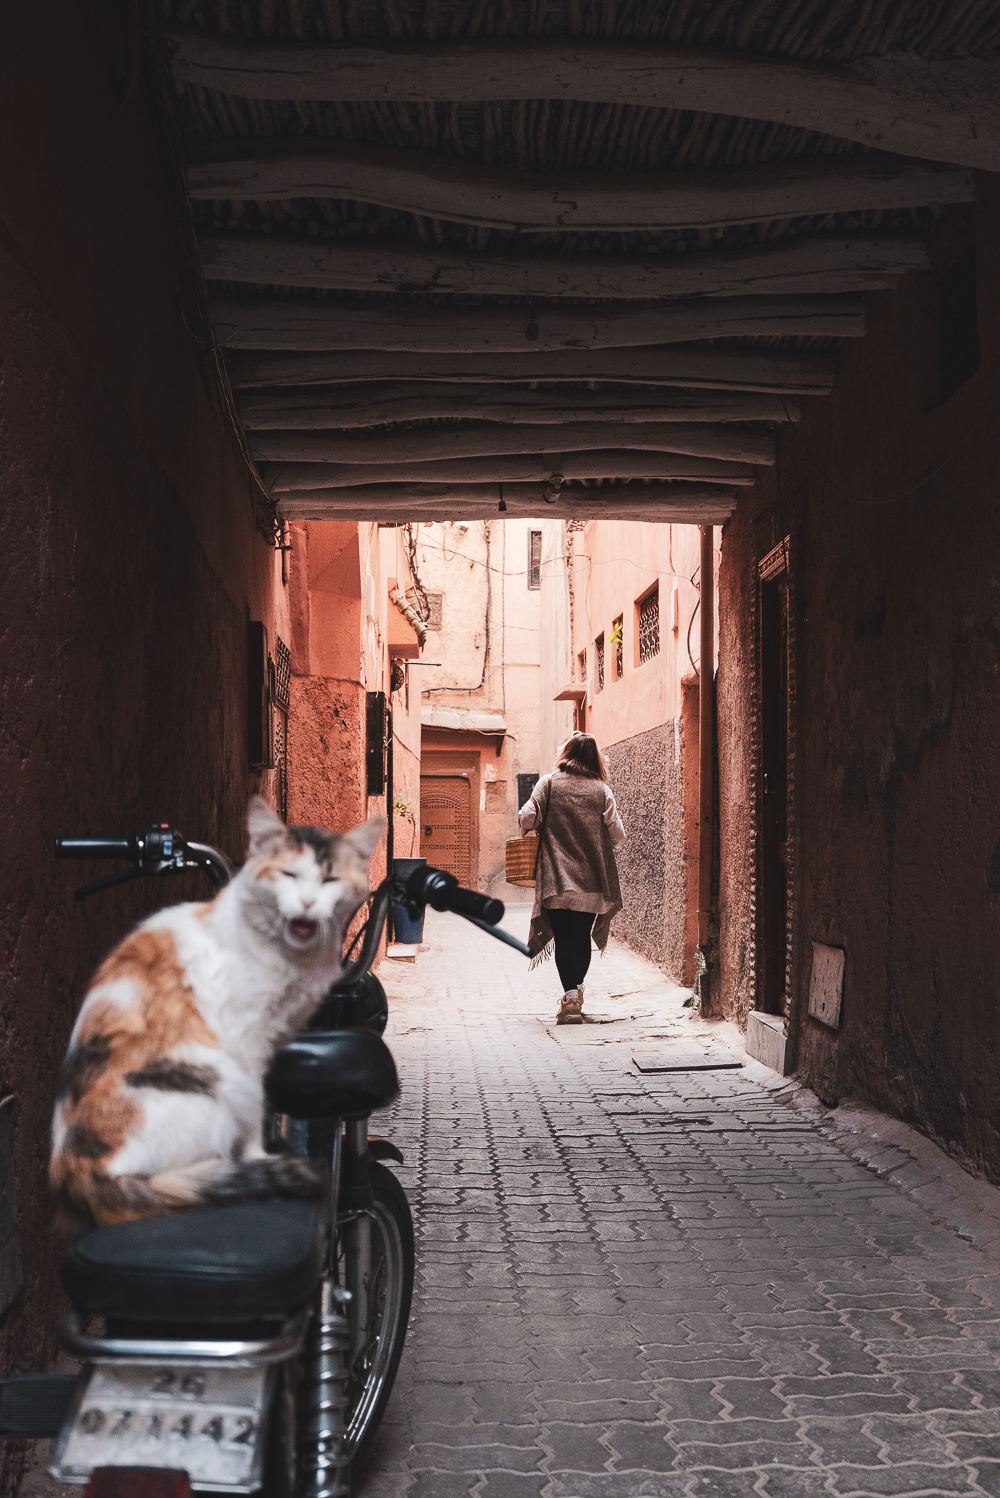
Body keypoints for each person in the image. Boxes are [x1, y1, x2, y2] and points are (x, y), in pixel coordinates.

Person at [517, 731, 626, 1024]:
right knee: (580, 938)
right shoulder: (602, 790)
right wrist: (595, 842)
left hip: (557, 881)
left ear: (566, 753)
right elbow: (618, 835)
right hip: (592, 883)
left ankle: (570, 999)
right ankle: (576, 994)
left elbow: (526, 818)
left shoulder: (548, 784)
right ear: (594, 758)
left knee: (564, 939)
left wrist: (540, 823)